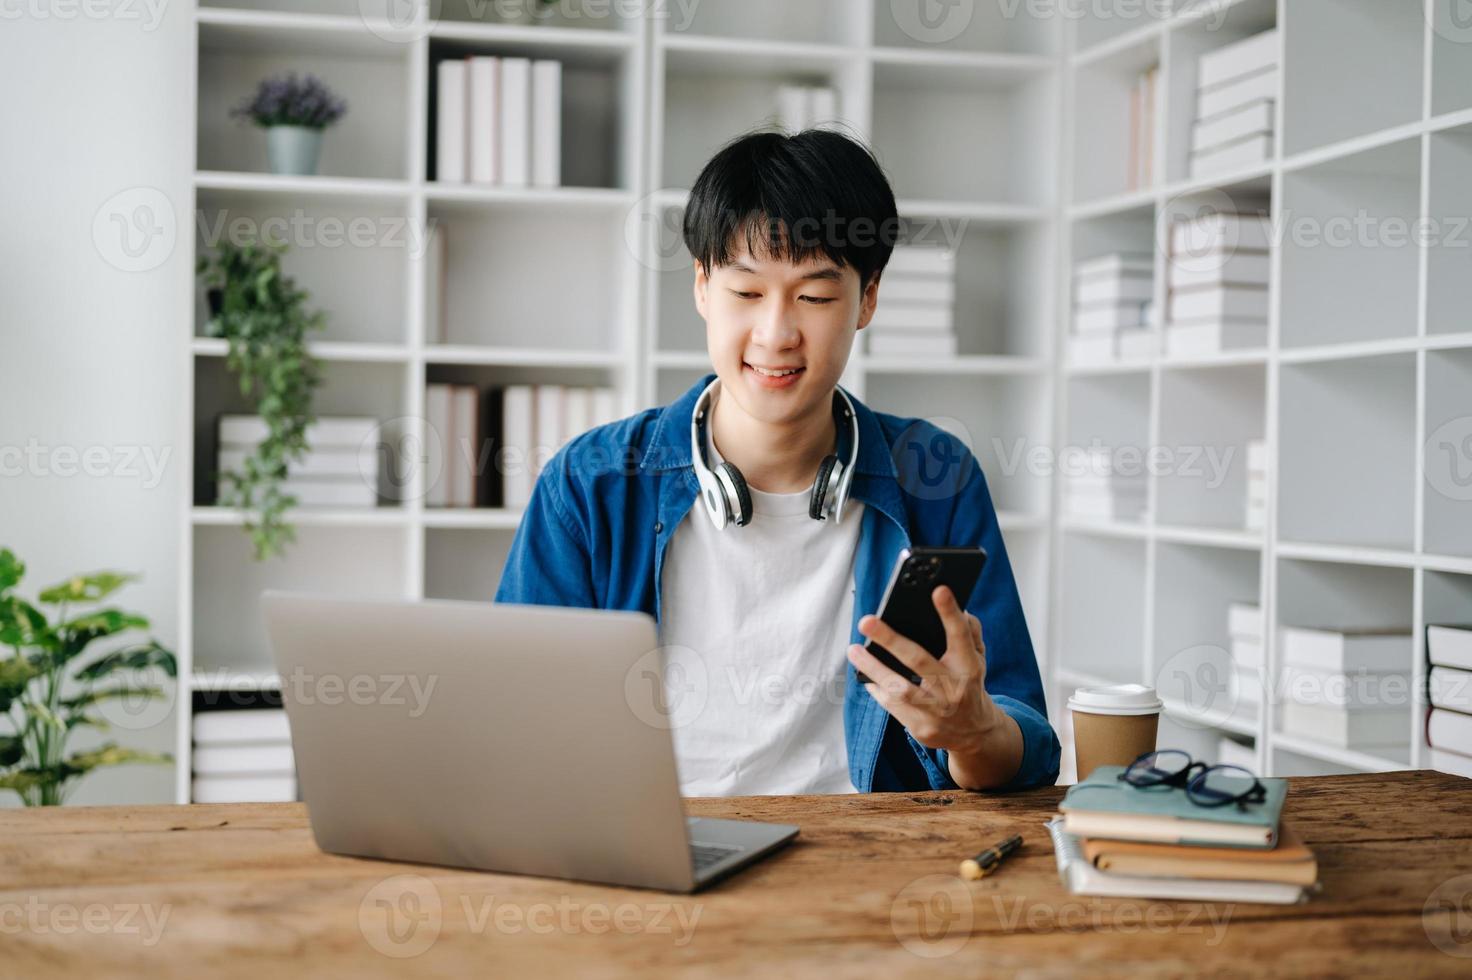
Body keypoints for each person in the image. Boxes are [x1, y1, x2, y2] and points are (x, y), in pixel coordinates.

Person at [495, 128, 1060, 795]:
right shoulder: (591, 485)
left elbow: (1027, 745)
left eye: (815, 297)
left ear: (868, 299)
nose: (776, 334)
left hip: (864, 868)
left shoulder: (935, 476)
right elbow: (512, 729)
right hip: (653, 859)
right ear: (702, 287)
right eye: (746, 292)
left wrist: (972, 732)